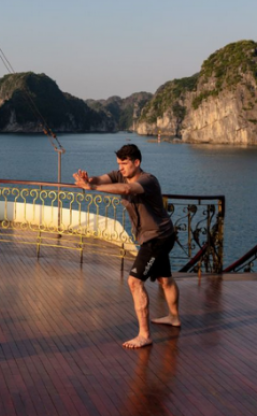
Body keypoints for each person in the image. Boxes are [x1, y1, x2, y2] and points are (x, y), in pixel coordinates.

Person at [73, 144, 180, 349]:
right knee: (164, 278)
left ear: (136, 163)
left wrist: (92, 188)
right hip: (160, 235)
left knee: (134, 282)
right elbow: (100, 179)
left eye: (124, 164)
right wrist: (88, 180)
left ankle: (144, 334)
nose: (120, 168)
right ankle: (174, 317)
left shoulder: (148, 180)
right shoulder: (119, 175)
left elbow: (128, 189)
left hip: (157, 238)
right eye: (118, 164)